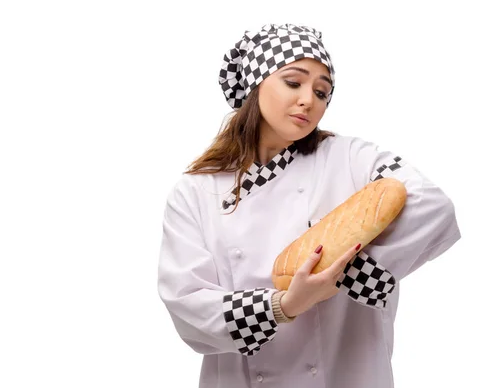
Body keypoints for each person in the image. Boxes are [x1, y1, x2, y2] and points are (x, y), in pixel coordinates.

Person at [157, 23, 461, 388]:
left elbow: (431, 206)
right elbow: (188, 304)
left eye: (322, 91)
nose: (309, 100)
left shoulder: (352, 159)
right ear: (256, 84)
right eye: (293, 82)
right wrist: (284, 306)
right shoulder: (196, 191)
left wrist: (343, 274)